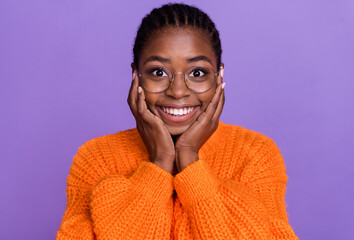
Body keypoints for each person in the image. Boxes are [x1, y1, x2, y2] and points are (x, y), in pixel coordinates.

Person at [57, 3, 298, 239]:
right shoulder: (96, 159)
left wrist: (190, 159)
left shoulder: (255, 155)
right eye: (159, 72)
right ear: (136, 76)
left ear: (218, 76)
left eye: (197, 73)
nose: (178, 91)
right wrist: (160, 162)